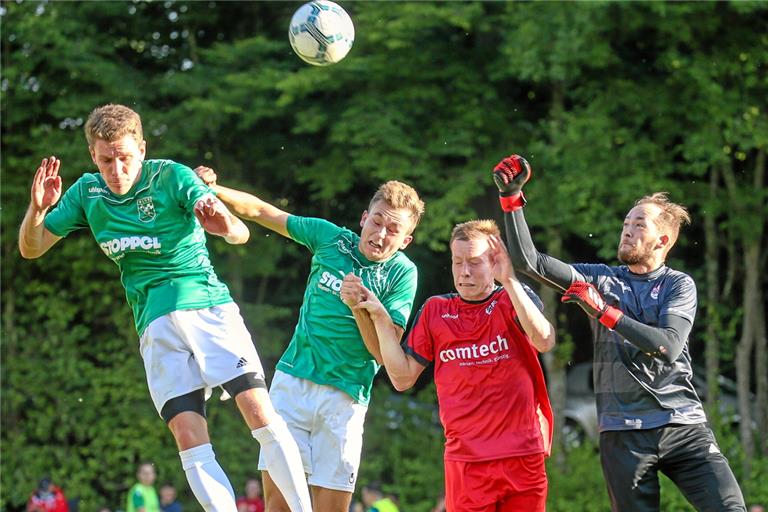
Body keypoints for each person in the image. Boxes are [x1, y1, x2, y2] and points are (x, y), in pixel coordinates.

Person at [18, 104, 311, 512]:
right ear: (93, 156)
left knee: (260, 416)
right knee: (190, 439)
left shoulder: (171, 176)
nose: (116, 169)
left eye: (124, 157)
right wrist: (39, 209)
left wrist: (222, 224)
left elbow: (240, 232)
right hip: (154, 325)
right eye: (106, 160)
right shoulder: (86, 192)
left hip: (208, 308)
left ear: (142, 148)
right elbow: (31, 248)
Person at [492, 154, 747, 512]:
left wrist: (604, 313)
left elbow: (668, 346)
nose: (627, 229)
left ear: (664, 240)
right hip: (622, 433)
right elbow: (529, 263)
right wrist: (511, 199)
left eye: (639, 224)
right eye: (626, 222)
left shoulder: (678, 284)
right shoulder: (601, 277)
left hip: (683, 426)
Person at [195, 166, 424, 512]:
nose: (381, 234)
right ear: (364, 218)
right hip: (293, 385)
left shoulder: (402, 273)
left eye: (394, 230)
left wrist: (360, 307)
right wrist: (214, 189)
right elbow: (262, 212)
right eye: (377, 221)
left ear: (405, 240)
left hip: (345, 400)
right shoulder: (330, 238)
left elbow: (383, 353)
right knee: (280, 505)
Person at [349, 220, 555, 512]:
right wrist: (381, 319)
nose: (464, 271)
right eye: (457, 262)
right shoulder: (436, 310)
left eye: (474, 262)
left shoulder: (512, 300)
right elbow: (402, 377)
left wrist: (509, 280)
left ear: (495, 262)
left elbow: (544, 340)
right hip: (466, 460)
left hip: (522, 454)